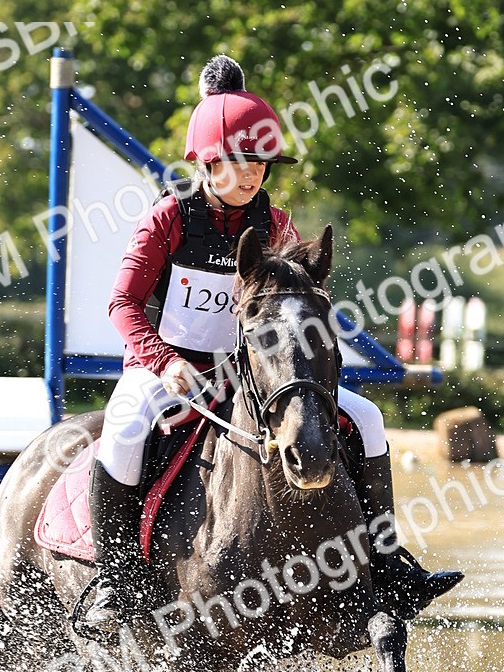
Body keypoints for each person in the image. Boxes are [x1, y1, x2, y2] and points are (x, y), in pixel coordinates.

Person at [85, 55, 462, 632]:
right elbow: (122, 305)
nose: (253, 174)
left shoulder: (277, 224)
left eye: (260, 163)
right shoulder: (169, 220)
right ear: (209, 162)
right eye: (240, 163)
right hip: (169, 369)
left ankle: (385, 560)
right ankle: (114, 579)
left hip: (246, 373)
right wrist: (162, 363)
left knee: (365, 418)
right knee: (125, 423)